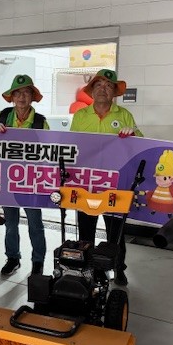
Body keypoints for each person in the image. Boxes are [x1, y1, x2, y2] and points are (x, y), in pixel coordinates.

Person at [69, 69, 143, 286]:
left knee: (116, 232)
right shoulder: (80, 116)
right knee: (86, 231)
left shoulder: (124, 115)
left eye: (108, 86)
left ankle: (119, 269)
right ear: (92, 90)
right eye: (98, 85)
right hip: (87, 184)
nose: (103, 89)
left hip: (115, 184)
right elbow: (72, 146)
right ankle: (89, 269)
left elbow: (141, 144)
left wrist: (133, 134)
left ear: (114, 93)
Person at [0, 74, 49, 276]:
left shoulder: (40, 122)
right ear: (12, 97)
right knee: (10, 224)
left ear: (32, 97)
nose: (22, 97)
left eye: (26, 93)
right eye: (17, 93)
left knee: (35, 224)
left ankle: (38, 262)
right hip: (7, 180)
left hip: (31, 182)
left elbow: (48, 152)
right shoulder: (2, 117)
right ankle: (13, 258)